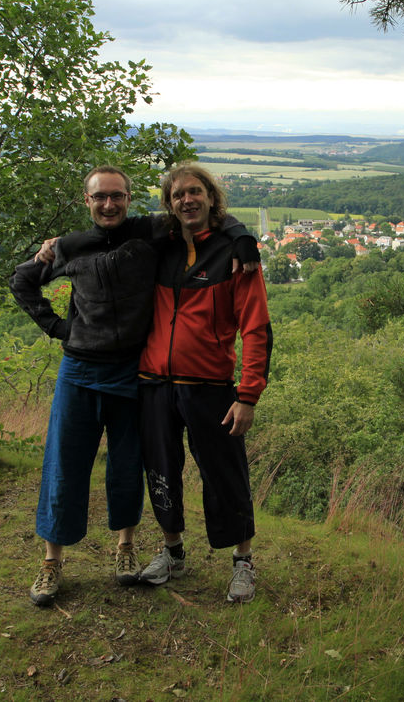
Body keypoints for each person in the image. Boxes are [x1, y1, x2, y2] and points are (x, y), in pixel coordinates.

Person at [9, 165, 258, 606]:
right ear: (86, 201)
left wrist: (243, 238)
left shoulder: (153, 234)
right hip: (103, 374)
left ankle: (137, 551)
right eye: (99, 197)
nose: (109, 204)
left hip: (146, 375)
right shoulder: (72, 246)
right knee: (74, 466)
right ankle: (56, 562)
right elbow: (23, 280)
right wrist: (59, 328)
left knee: (139, 468)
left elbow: (205, 216)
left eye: (117, 196)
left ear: (129, 199)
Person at [136, 163, 272, 603]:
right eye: (178, 195)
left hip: (211, 387)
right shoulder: (162, 248)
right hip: (155, 383)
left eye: (195, 192)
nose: (187, 200)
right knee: (160, 469)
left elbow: (257, 329)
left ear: (211, 197)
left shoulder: (235, 254)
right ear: (169, 204)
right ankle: (173, 552)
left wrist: (248, 394)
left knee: (225, 475)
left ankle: (243, 562)